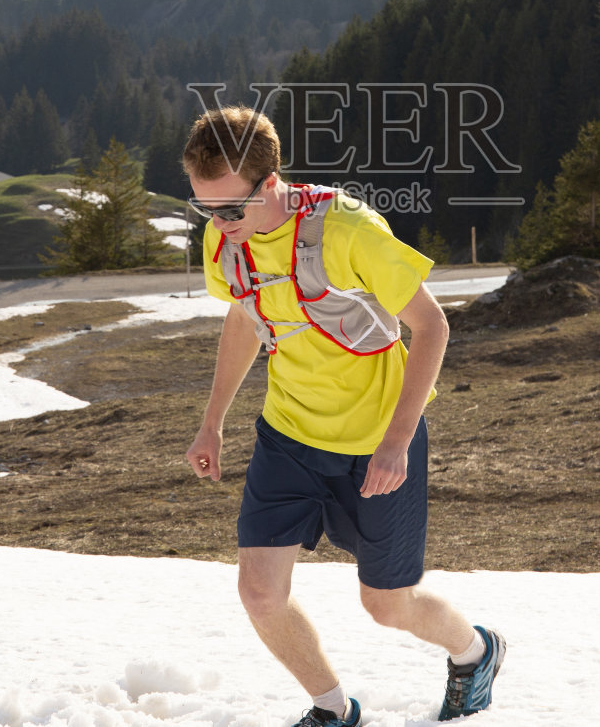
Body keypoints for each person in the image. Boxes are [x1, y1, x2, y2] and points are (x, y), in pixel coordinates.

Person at [181, 105, 505, 726]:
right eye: (204, 209)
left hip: (375, 442)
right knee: (259, 593)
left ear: (269, 181)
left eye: (228, 208)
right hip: (288, 438)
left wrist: (397, 442)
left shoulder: (347, 231)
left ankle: (475, 651)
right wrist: (213, 419)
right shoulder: (227, 240)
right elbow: (246, 319)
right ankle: (333, 709)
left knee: (387, 604)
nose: (217, 223)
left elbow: (432, 326)